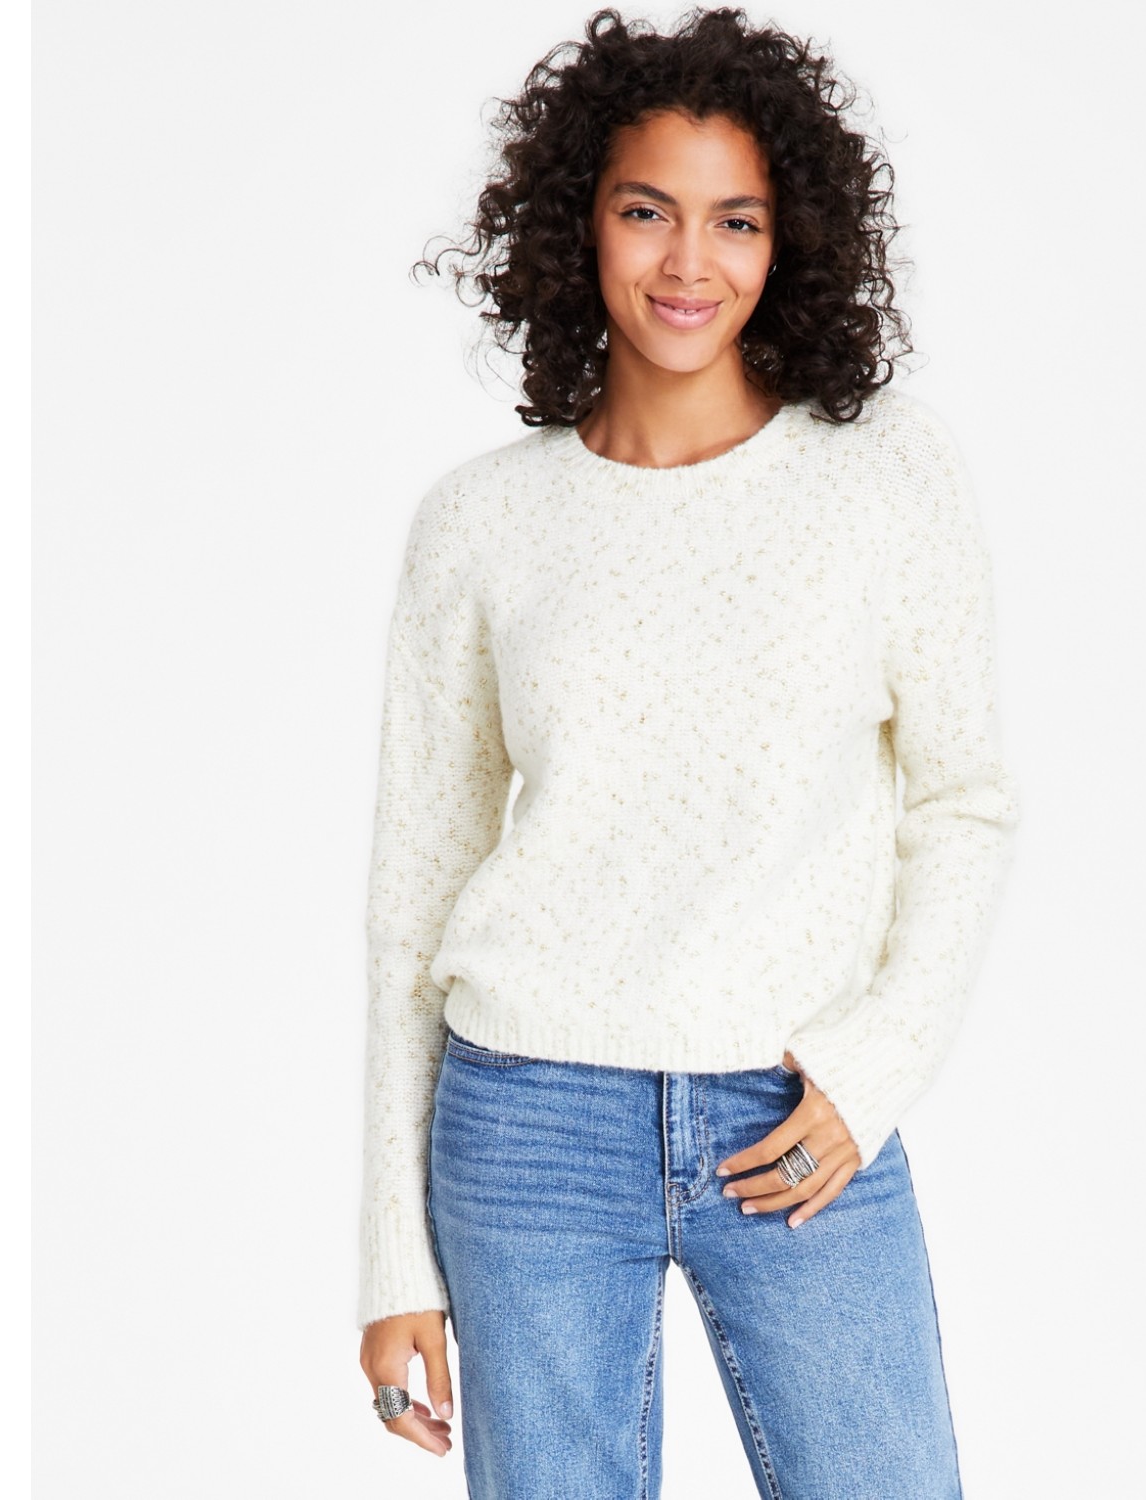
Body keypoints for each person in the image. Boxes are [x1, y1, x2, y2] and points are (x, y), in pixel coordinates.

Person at [355, 7, 1020, 1497]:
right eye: (646, 210)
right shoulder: (480, 521)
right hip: (529, 1120)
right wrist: (393, 1257)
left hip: (797, 1113)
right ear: (577, 221)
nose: (687, 262)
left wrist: (876, 1067)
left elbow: (964, 803)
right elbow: (414, 897)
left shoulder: (883, 478)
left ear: (789, 243)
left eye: (737, 220)